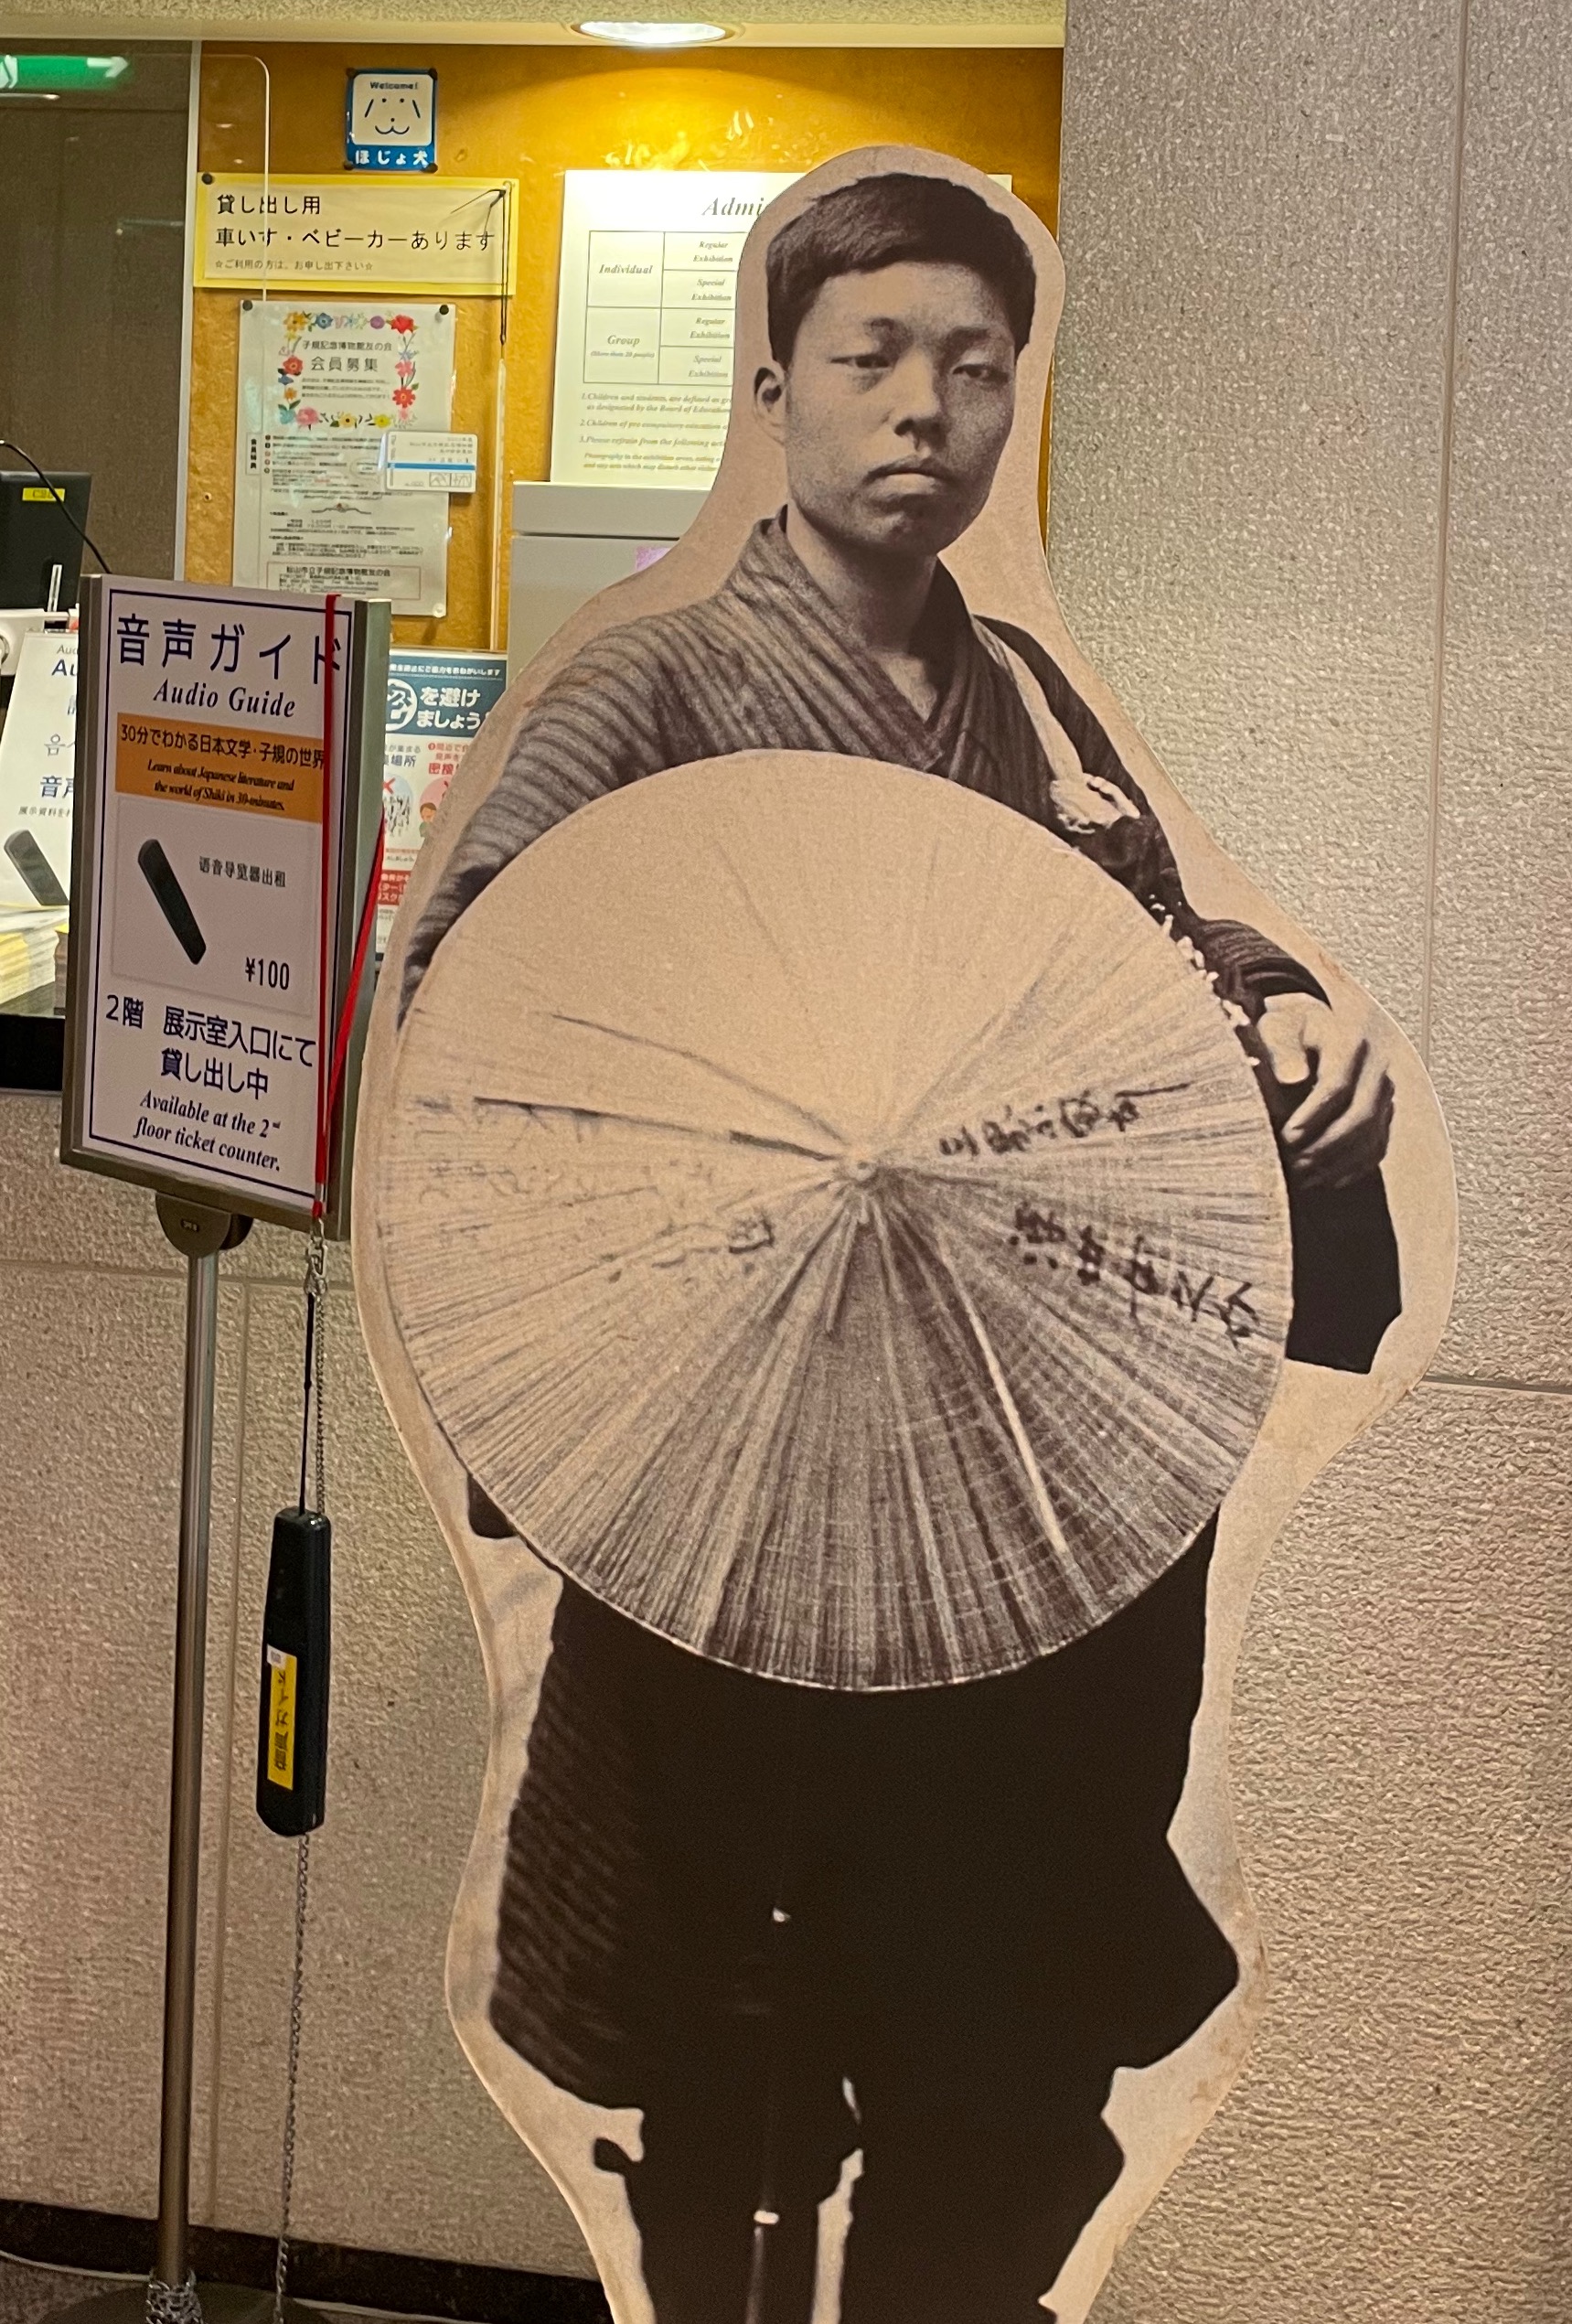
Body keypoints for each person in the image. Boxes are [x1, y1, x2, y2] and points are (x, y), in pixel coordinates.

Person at [401, 172, 1401, 2323]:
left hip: (1008, 1507)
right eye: (871, 357)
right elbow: (476, 1041)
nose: (925, 407)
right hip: (743, 1504)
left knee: (997, 2075)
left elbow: (1135, 949)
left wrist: (1280, 1008)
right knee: (730, 2082)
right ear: (770, 387)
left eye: (973, 364)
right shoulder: (647, 691)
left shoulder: (1017, 693)